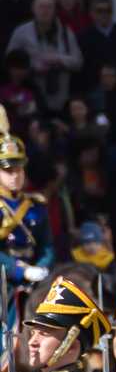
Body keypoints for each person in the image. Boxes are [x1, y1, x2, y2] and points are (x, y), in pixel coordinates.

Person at [0, 106, 52, 299]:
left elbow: (47, 246)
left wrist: (42, 267)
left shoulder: (35, 205)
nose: (14, 176)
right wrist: (20, 271)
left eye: (18, 170)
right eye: (8, 171)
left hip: (34, 279)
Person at [5, 0, 83, 113]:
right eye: (41, 7)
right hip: (30, 95)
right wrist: (33, 65)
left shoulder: (66, 32)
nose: (45, 11)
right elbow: (10, 62)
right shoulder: (21, 32)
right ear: (33, 9)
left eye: (49, 7)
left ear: (54, 10)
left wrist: (59, 59)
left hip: (62, 97)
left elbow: (78, 62)